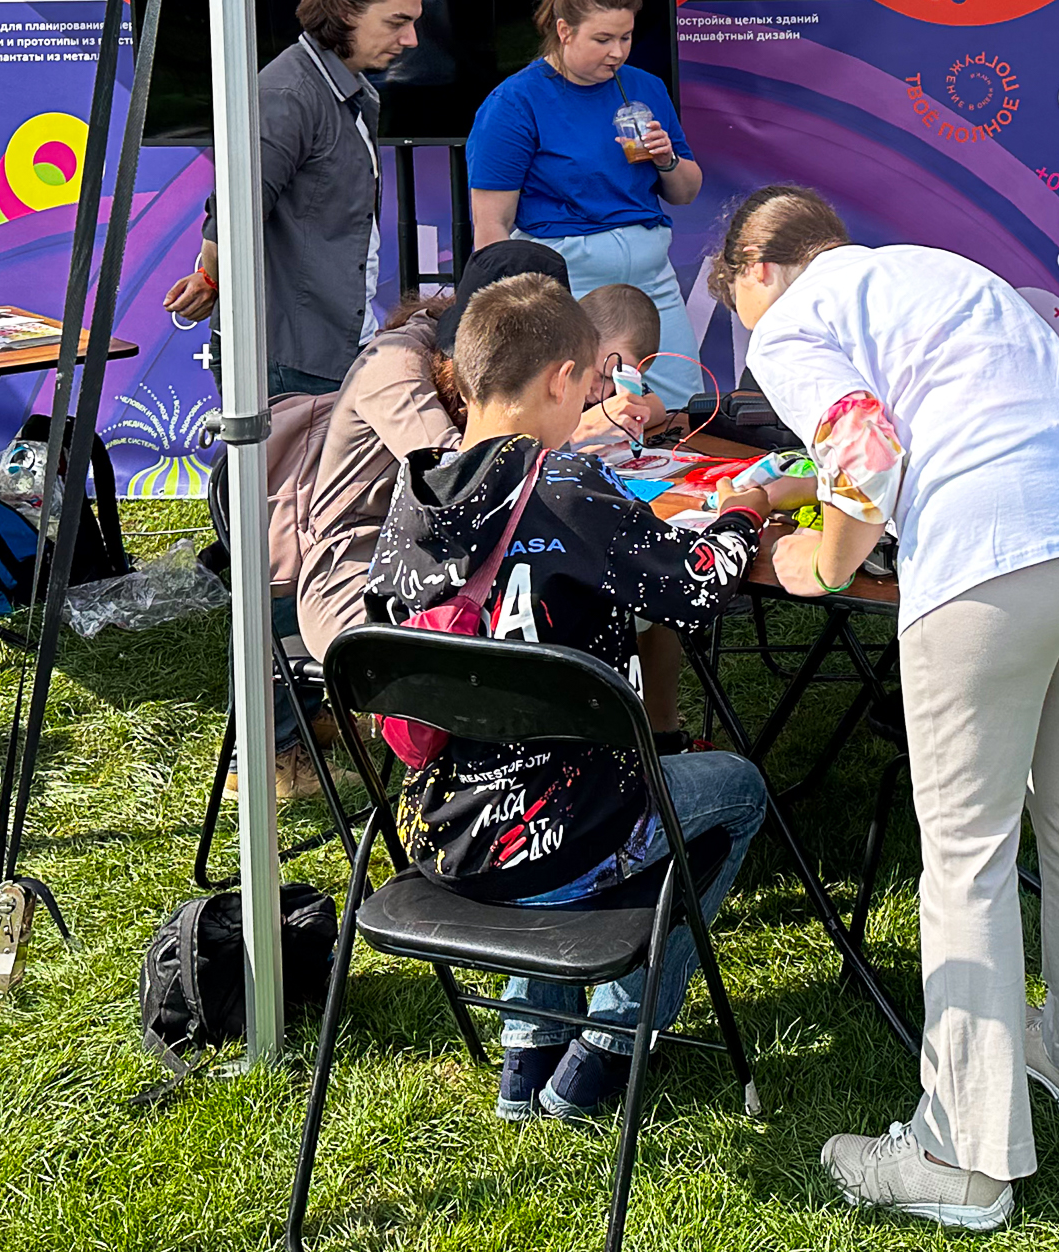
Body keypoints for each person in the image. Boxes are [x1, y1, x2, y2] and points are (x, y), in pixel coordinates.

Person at [711, 186, 1059, 1232]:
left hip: (998, 548)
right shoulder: (932, 270)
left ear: (756, 270)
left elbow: (866, 446)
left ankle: (960, 1157)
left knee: (966, 852)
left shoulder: (787, 318)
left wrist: (820, 562)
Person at [364, 274, 776, 1123]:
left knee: (538, 756)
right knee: (736, 789)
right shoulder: (570, 488)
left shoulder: (411, 494)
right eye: (590, 381)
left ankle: (527, 1052)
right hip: (565, 841)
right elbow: (696, 589)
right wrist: (743, 512)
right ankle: (608, 1049)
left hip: (443, 833)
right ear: (561, 379)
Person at [165, 0, 424, 398]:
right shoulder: (287, 96)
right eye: (397, 22)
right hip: (290, 359)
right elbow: (229, 225)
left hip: (323, 347)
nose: (411, 40)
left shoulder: (344, 90)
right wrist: (210, 277)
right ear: (345, 10)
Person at [295, 239, 567, 669]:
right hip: (362, 571)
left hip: (464, 557)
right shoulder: (394, 364)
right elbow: (460, 483)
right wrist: (576, 425)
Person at [465, 0, 702, 408]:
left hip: (651, 280)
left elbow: (686, 192)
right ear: (564, 31)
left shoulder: (646, 87)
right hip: (569, 282)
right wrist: (513, 319)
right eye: (603, 39)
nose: (618, 52)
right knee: (578, 411)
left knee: (680, 406)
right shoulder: (514, 102)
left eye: (626, 37)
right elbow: (492, 228)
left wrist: (667, 159)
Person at [571, 281, 671, 451]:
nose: (603, 392)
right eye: (603, 376)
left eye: (620, 379)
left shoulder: (613, 388)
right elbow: (526, 446)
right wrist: (583, 431)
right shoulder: (542, 376)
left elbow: (657, 408)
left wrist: (628, 419)